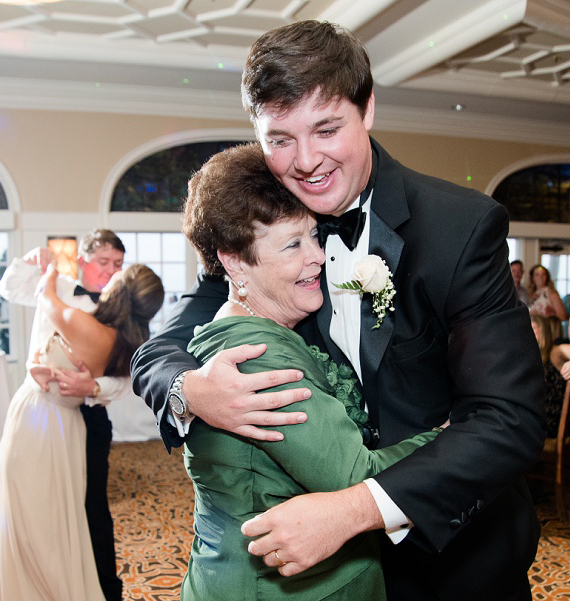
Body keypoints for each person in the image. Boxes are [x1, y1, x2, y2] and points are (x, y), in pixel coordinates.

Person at [131, 20, 545, 601]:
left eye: (326, 129)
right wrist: (188, 393)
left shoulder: (460, 226)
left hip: (452, 554)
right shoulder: (263, 228)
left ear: (367, 109)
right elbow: (158, 352)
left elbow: (512, 418)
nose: (305, 162)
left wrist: (354, 508)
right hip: (330, 577)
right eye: (280, 139)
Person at [178, 143, 440, 599]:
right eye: (293, 244)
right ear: (235, 262)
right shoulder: (256, 357)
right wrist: (453, 435)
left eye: (314, 237)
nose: (317, 256)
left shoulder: (247, 331)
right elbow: (356, 476)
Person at [0, 262, 164, 600]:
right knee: (60, 519)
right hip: (69, 428)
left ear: (120, 288)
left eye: (117, 269)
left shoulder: (83, 322)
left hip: (39, 420)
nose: (110, 273)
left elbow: (44, 297)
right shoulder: (125, 340)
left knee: (24, 514)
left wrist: (49, 271)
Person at [0, 230, 130, 601]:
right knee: (36, 503)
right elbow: (10, 288)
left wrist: (93, 387)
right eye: (104, 262)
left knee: (91, 509)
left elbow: (124, 380)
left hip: (88, 420)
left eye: (118, 264)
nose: (110, 271)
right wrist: (31, 259)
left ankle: (104, 590)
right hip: (39, 415)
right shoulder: (59, 286)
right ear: (84, 261)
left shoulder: (118, 309)